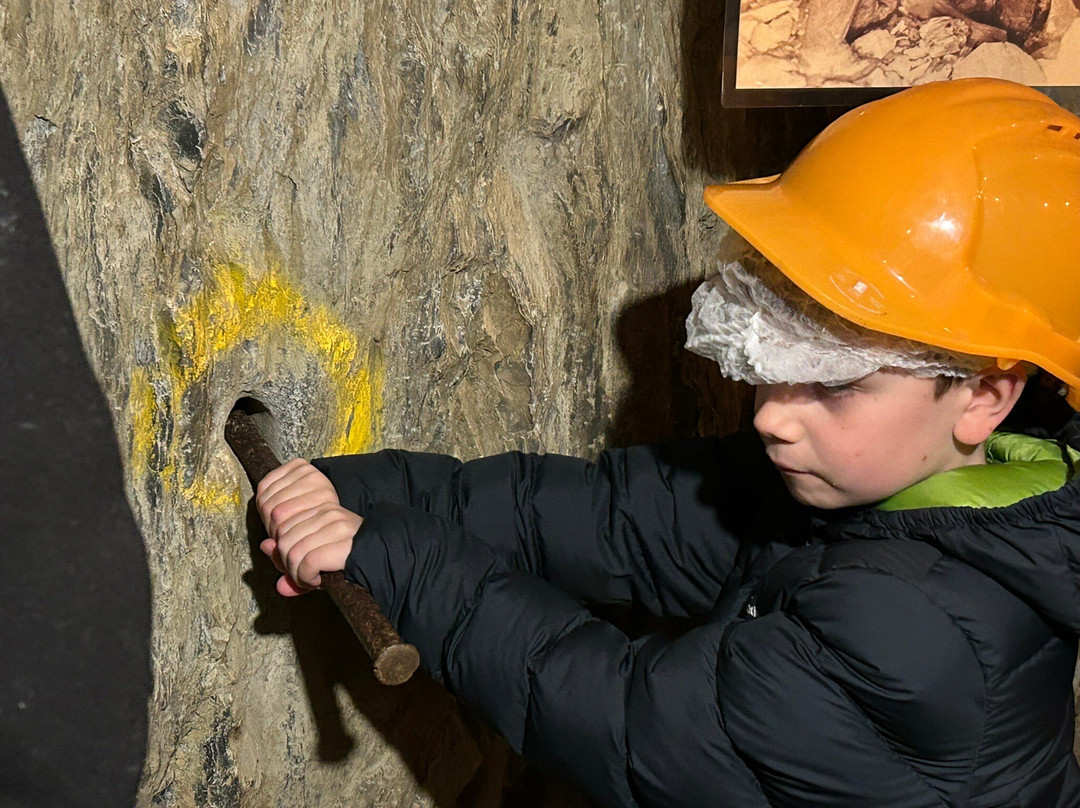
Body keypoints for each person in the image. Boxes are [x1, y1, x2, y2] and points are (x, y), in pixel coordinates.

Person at [254, 78, 1080, 806]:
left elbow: (631, 726)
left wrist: (402, 558)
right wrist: (359, 492)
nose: (769, 415)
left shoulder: (915, 634)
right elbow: (620, 517)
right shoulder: (893, 484)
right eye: (771, 361)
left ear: (983, 396)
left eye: (833, 383)